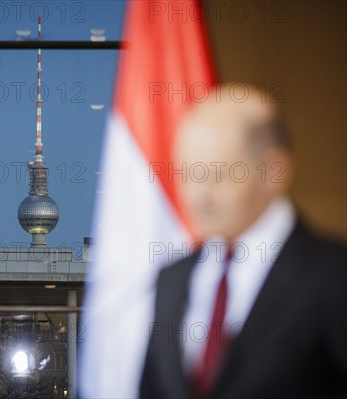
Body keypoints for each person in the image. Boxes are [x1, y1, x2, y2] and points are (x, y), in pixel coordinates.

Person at [140, 85, 346, 399]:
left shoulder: (334, 276)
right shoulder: (171, 279)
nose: (199, 196)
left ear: (273, 172)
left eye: (217, 175)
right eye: (188, 175)